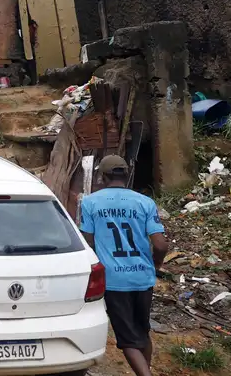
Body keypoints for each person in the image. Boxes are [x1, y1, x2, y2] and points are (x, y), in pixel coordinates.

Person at [79, 155, 170, 376]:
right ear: (127, 175)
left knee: (128, 340)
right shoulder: (145, 202)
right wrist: (155, 264)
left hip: (114, 280)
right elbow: (160, 245)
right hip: (142, 277)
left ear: (103, 177)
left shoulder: (90, 203)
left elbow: (88, 242)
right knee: (142, 333)